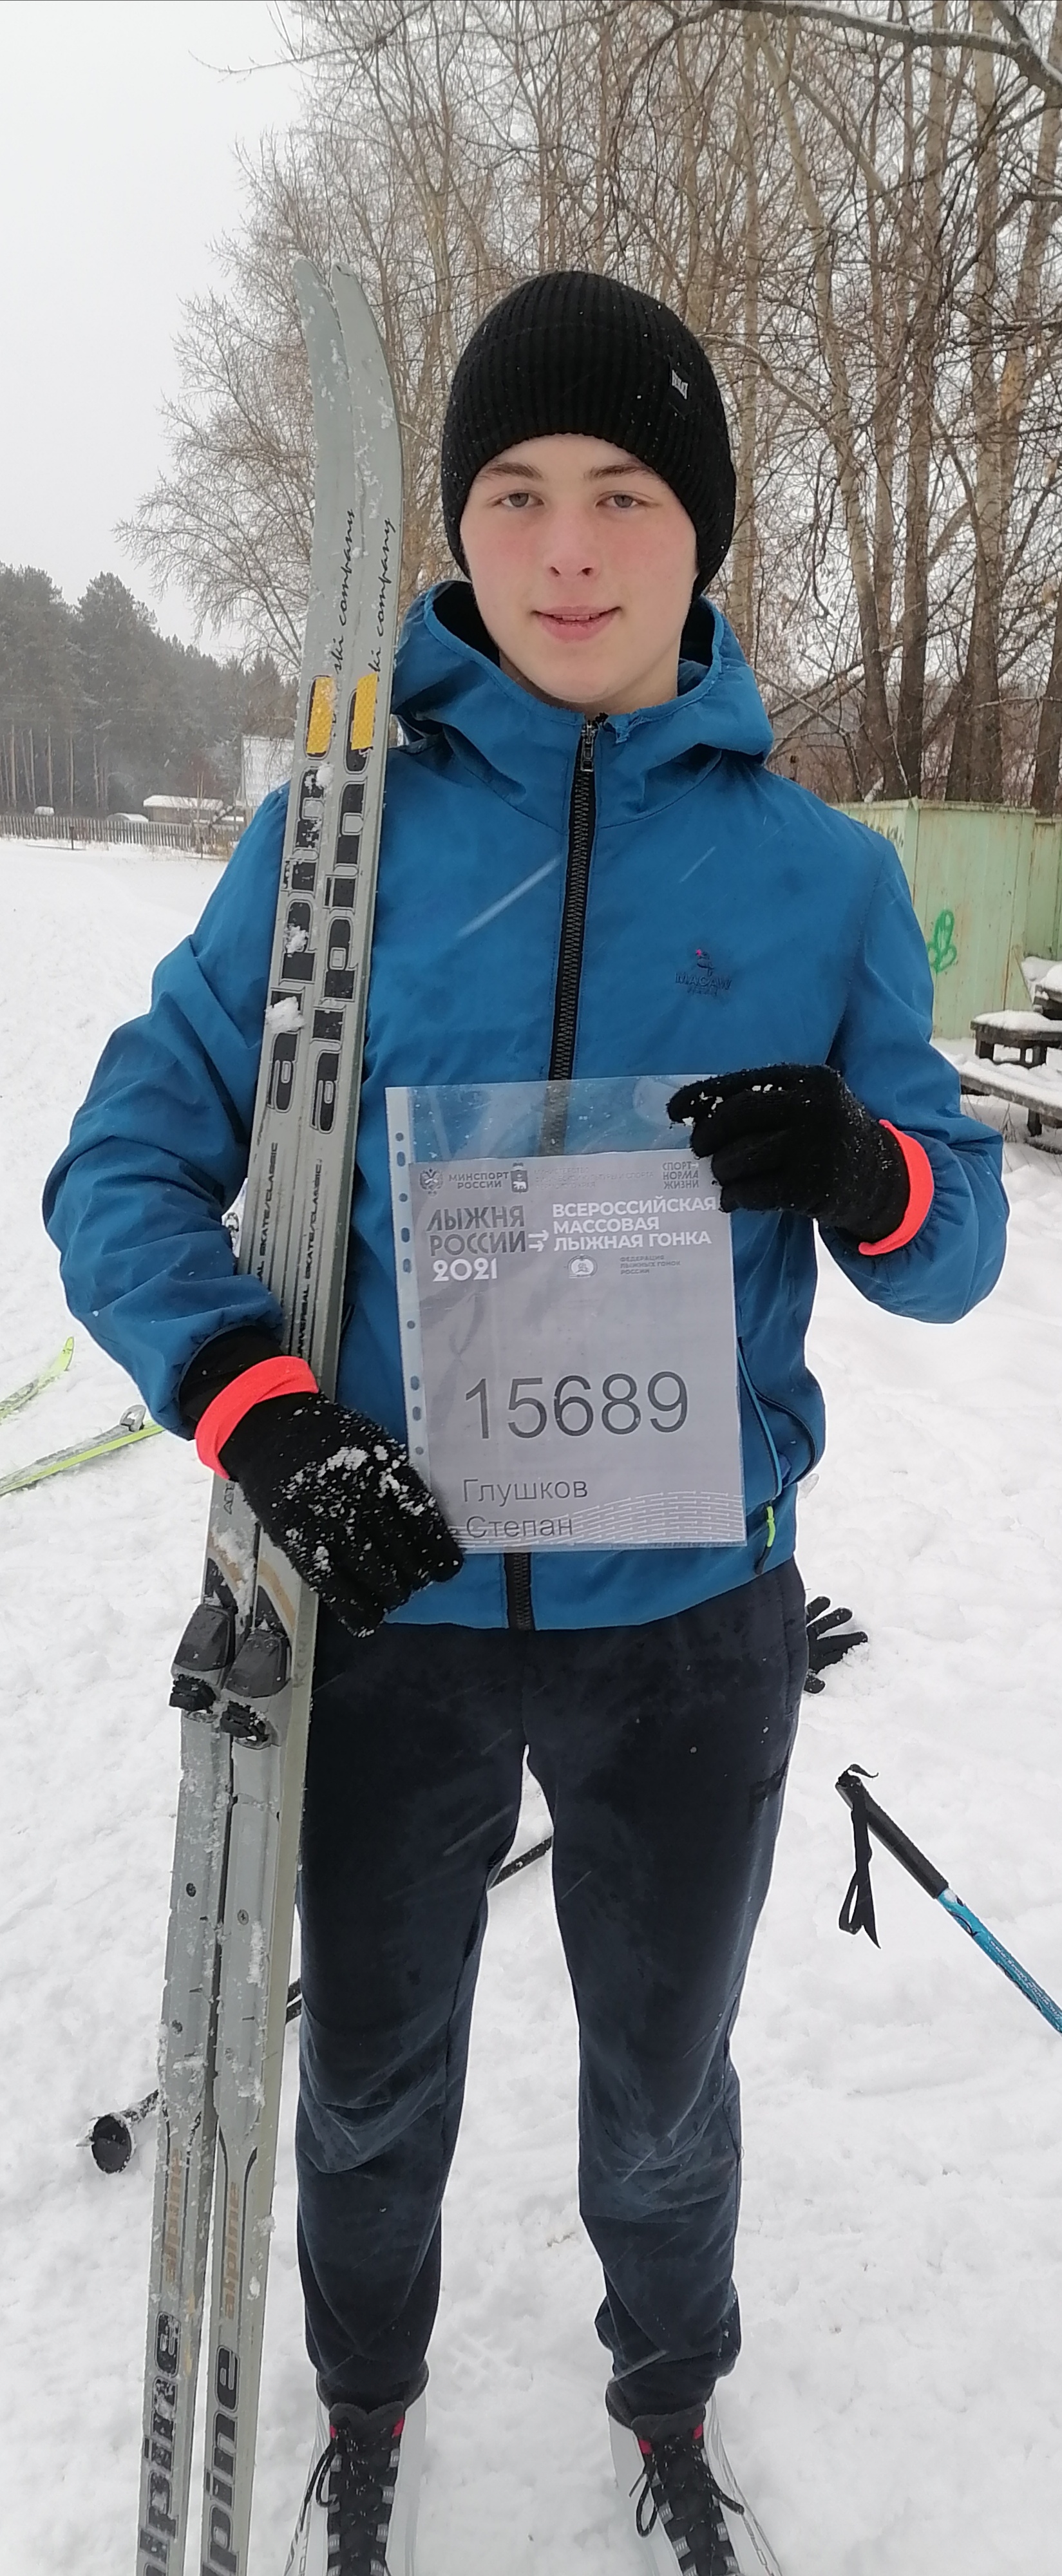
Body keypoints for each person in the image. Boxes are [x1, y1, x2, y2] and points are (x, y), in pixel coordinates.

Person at [44, 271, 1007, 2576]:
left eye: (624, 495)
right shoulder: (332, 850)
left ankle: (666, 2405)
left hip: (690, 1629)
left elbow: (955, 1240)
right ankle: (364, 2408)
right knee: (370, 2088)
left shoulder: (821, 879)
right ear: (456, 528)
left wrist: (862, 1167)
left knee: (661, 2096)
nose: (565, 548)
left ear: (702, 536)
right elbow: (122, 1167)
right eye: (511, 492)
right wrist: (264, 1416)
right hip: (394, 1610)